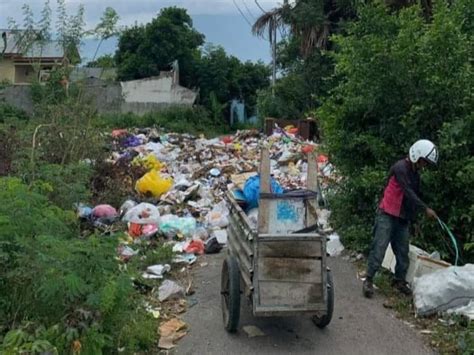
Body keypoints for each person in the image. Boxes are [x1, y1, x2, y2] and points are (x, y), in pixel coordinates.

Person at [363, 140, 439, 298]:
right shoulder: (400, 168)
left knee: (403, 252)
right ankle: (368, 279)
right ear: (417, 157)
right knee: (379, 247)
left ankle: (399, 281)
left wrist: (415, 220)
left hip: (402, 217)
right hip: (387, 214)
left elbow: (414, 196)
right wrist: (425, 209)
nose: (424, 166)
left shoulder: (415, 174)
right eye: (424, 162)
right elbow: (408, 193)